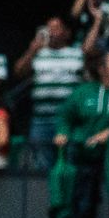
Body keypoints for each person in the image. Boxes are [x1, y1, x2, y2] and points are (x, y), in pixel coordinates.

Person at [49, 50, 109, 218]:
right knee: (83, 208)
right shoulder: (83, 92)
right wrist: (63, 132)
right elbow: (65, 116)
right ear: (102, 69)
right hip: (84, 158)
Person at [16, 15, 84, 171]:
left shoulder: (76, 53)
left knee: (68, 164)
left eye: (56, 28)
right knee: (41, 167)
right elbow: (19, 72)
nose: (51, 32)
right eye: (49, 28)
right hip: (41, 121)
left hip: (68, 122)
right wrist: (32, 50)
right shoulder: (39, 53)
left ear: (67, 33)